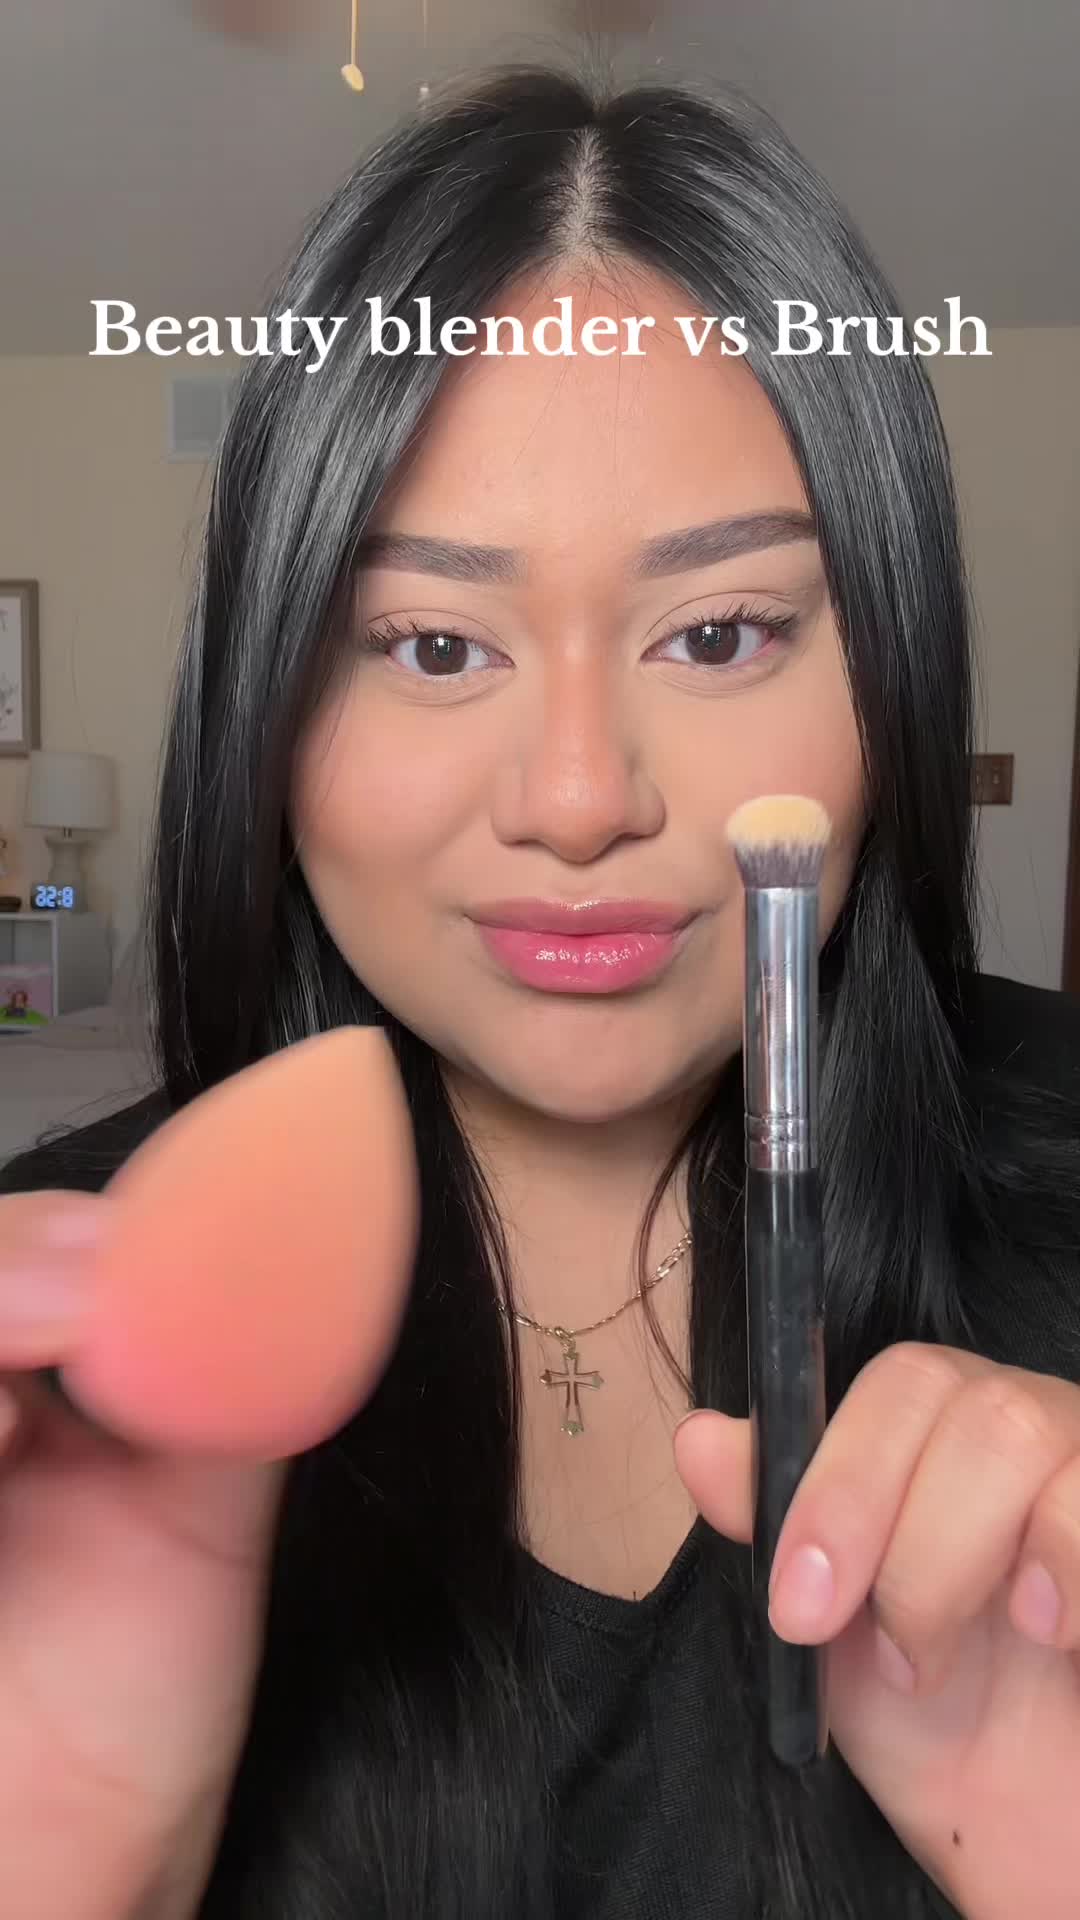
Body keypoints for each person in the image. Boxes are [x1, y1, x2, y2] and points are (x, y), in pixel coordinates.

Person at [1, 60, 1078, 1920]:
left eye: (721, 632)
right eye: (432, 645)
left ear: (892, 671)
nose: (580, 799)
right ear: (270, 705)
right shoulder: (71, 1366)